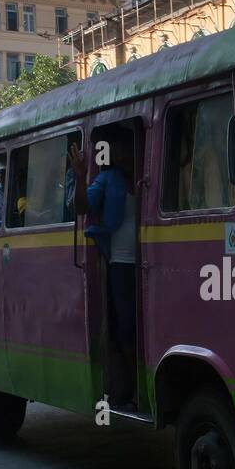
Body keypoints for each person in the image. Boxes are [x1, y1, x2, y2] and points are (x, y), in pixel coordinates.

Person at [75, 129, 137, 411]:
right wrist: (79, 176)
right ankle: (132, 386)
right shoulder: (107, 178)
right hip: (121, 264)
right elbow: (81, 206)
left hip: (151, 261)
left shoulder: (149, 177)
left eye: (127, 148)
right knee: (126, 326)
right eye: (119, 150)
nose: (124, 154)